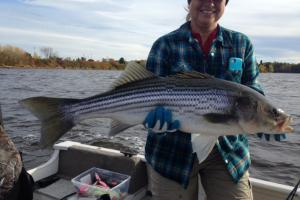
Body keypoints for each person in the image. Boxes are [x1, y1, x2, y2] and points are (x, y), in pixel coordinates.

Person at [143, 0, 286, 199]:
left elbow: (253, 89)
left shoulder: (241, 43)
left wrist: (265, 120)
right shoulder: (165, 45)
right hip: (171, 153)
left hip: (229, 153)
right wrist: (154, 124)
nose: (209, 2)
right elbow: (143, 92)